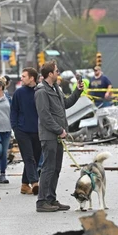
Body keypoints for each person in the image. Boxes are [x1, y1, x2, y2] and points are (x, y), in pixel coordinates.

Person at [35, 60, 83, 212]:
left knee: (55, 168)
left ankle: (51, 199)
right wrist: (59, 130)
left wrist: (78, 91)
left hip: (57, 135)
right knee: (48, 168)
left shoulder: (56, 88)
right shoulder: (41, 91)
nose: (58, 73)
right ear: (50, 74)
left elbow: (66, 104)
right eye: (56, 71)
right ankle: (42, 201)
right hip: (49, 135)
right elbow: (45, 116)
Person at [11, 67, 41, 195]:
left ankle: (24, 185)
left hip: (38, 131)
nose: (21, 78)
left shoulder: (40, 91)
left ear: (31, 78)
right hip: (22, 130)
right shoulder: (19, 93)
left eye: (24, 76)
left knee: (36, 157)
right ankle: (35, 183)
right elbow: (14, 110)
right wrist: (15, 127)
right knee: (29, 157)